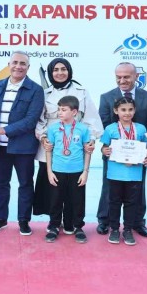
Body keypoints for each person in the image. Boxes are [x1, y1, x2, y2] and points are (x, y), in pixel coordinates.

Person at [34, 58, 102, 233]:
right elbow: (39, 120)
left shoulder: (82, 92)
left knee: (74, 189)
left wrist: (91, 140)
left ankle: (72, 223)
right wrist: (43, 137)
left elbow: (92, 119)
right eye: (55, 70)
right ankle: (54, 223)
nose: (59, 73)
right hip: (51, 147)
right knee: (53, 189)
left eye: (63, 69)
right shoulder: (44, 93)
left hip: (75, 148)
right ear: (50, 73)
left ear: (69, 71)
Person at [0, 51, 44, 235]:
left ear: (28, 67)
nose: (18, 66)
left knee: (25, 184)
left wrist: (6, 130)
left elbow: (31, 119)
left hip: (23, 147)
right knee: (0, 183)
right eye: (15, 62)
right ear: (8, 64)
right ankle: (0, 218)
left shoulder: (36, 90)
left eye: (23, 63)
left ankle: (23, 221)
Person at [96, 62, 147, 237]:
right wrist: (107, 148)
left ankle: (137, 222)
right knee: (109, 188)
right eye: (118, 77)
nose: (122, 80)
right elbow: (104, 125)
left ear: (136, 76)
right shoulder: (106, 97)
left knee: (138, 188)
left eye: (126, 77)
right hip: (114, 155)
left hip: (139, 155)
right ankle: (105, 220)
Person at [101, 97, 147, 245]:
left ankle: (128, 230)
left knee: (131, 203)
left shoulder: (141, 129)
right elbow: (104, 147)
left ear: (135, 110)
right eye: (123, 110)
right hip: (115, 173)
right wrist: (104, 150)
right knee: (114, 202)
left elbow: (146, 148)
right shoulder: (110, 129)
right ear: (116, 111)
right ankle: (114, 229)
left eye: (130, 109)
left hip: (134, 173)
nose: (127, 113)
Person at [44, 96, 92, 244]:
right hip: (57, 170)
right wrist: (49, 171)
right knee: (55, 200)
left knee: (77, 201)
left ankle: (77, 226)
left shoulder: (83, 129)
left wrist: (85, 172)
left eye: (63, 110)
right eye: (59, 109)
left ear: (74, 112)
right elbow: (48, 150)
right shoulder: (53, 128)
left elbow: (88, 151)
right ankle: (54, 226)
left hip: (77, 171)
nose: (60, 112)